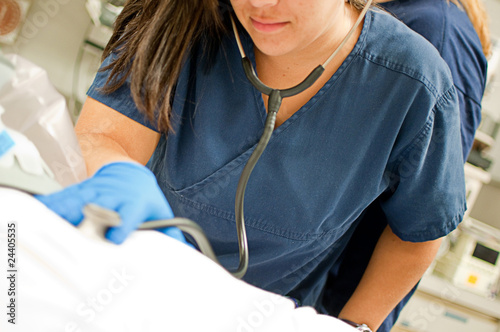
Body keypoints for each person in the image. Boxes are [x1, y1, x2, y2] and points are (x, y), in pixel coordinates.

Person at [36, 0, 467, 330]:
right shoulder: (182, 17)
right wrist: (117, 171)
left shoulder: (411, 84)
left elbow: (419, 232)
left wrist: (353, 325)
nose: (259, 4)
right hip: (126, 293)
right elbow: (104, 137)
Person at [321, 0, 491, 330]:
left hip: (335, 302)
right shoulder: (385, 13)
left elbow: (425, 215)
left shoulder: (438, 32)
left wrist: (351, 323)